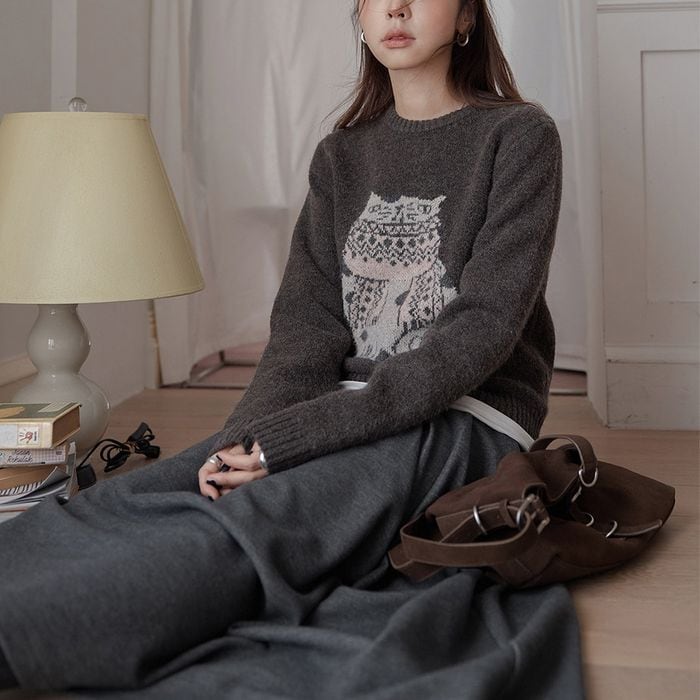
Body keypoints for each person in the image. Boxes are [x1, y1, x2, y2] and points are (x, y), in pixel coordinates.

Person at [0, 1, 583, 697]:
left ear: (465, 17)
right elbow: (306, 330)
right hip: (347, 401)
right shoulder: (342, 155)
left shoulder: (519, 136)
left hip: (465, 413)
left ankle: (23, 637)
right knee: (153, 491)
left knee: (256, 524)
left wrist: (294, 442)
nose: (396, 7)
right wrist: (246, 439)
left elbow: (480, 331)